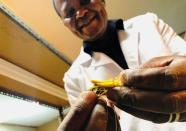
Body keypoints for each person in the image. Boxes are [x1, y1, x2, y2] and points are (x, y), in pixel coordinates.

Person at [53, 0, 186, 130]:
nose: (80, 13)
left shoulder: (149, 22)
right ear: (65, 24)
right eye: (70, 12)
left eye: (85, 1)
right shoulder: (72, 79)